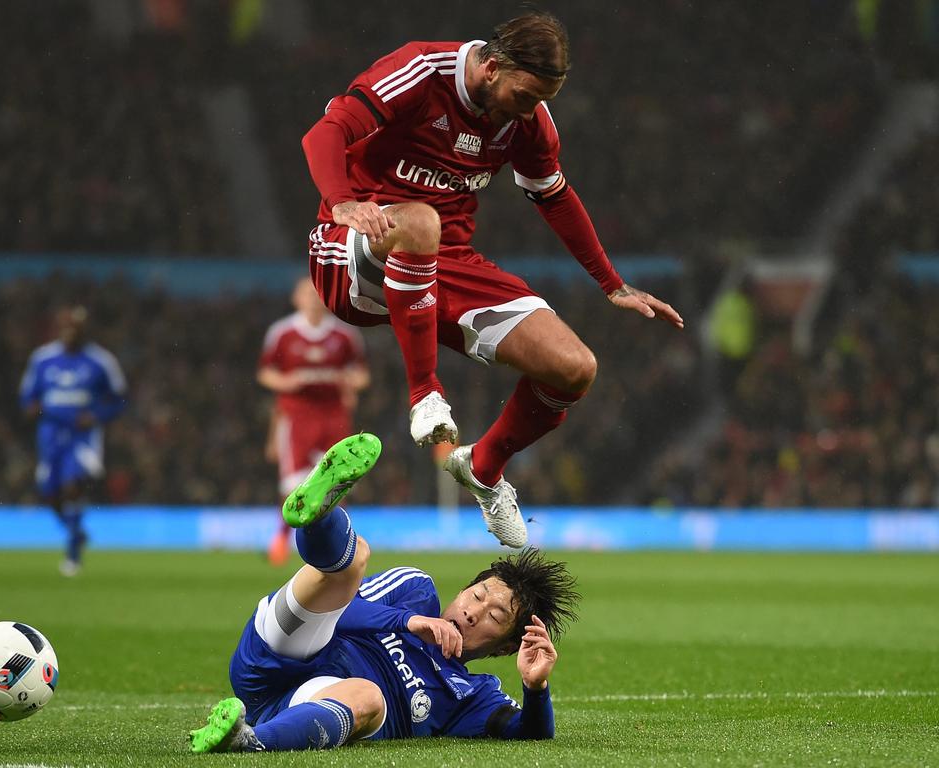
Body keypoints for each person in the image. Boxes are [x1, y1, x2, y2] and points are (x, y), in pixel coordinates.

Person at [301, 12, 684, 548]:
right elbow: (327, 130)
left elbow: (553, 195)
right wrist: (343, 202)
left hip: (445, 259)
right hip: (351, 250)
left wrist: (611, 283)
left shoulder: (529, 119)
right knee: (421, 224)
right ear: (490, 65)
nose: (530, 110)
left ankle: (482, 469)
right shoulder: (421, 70)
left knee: (573, 368)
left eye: (540, 99)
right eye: (525, 95)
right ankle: (424, 393)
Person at [189, 433, 579, 753]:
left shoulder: (473, 696)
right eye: (478, 596)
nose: (475, 612)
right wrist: (408, 620)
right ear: (463, 591)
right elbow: (342, 611)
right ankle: (319, 517)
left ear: (504, 649)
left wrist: (536, 687)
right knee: (354, 559)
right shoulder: (415, 590)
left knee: (370, 697)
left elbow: (530, 734)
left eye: (495, 617)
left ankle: (250, 742)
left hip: (310, 701)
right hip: (280, 653)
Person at [257, 277, 370, 565]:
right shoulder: (283, 333)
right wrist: (287, 382)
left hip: (334, 416)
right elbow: (265, 373)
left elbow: (361, 375)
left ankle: (339, 541)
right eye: (308, 293)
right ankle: (282, 538)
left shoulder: (344, 335)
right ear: (297, 298)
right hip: (297, 416)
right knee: (294, 483)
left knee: (338, 480)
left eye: (318, 293)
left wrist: (349, 383)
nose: (313, 298)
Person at [18, 306, 127, 576]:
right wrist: (31, 408)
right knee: (49, 492)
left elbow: (120, 398)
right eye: (65, 329)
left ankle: (73, 555)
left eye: (75, 330)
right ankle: (75, 531)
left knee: (72, 485)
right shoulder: (42, 359)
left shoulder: (101, 361)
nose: (70, 334)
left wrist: (97, 415)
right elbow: (26, 397)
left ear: (83, 331)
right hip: (50, 433)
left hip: (83, 436)